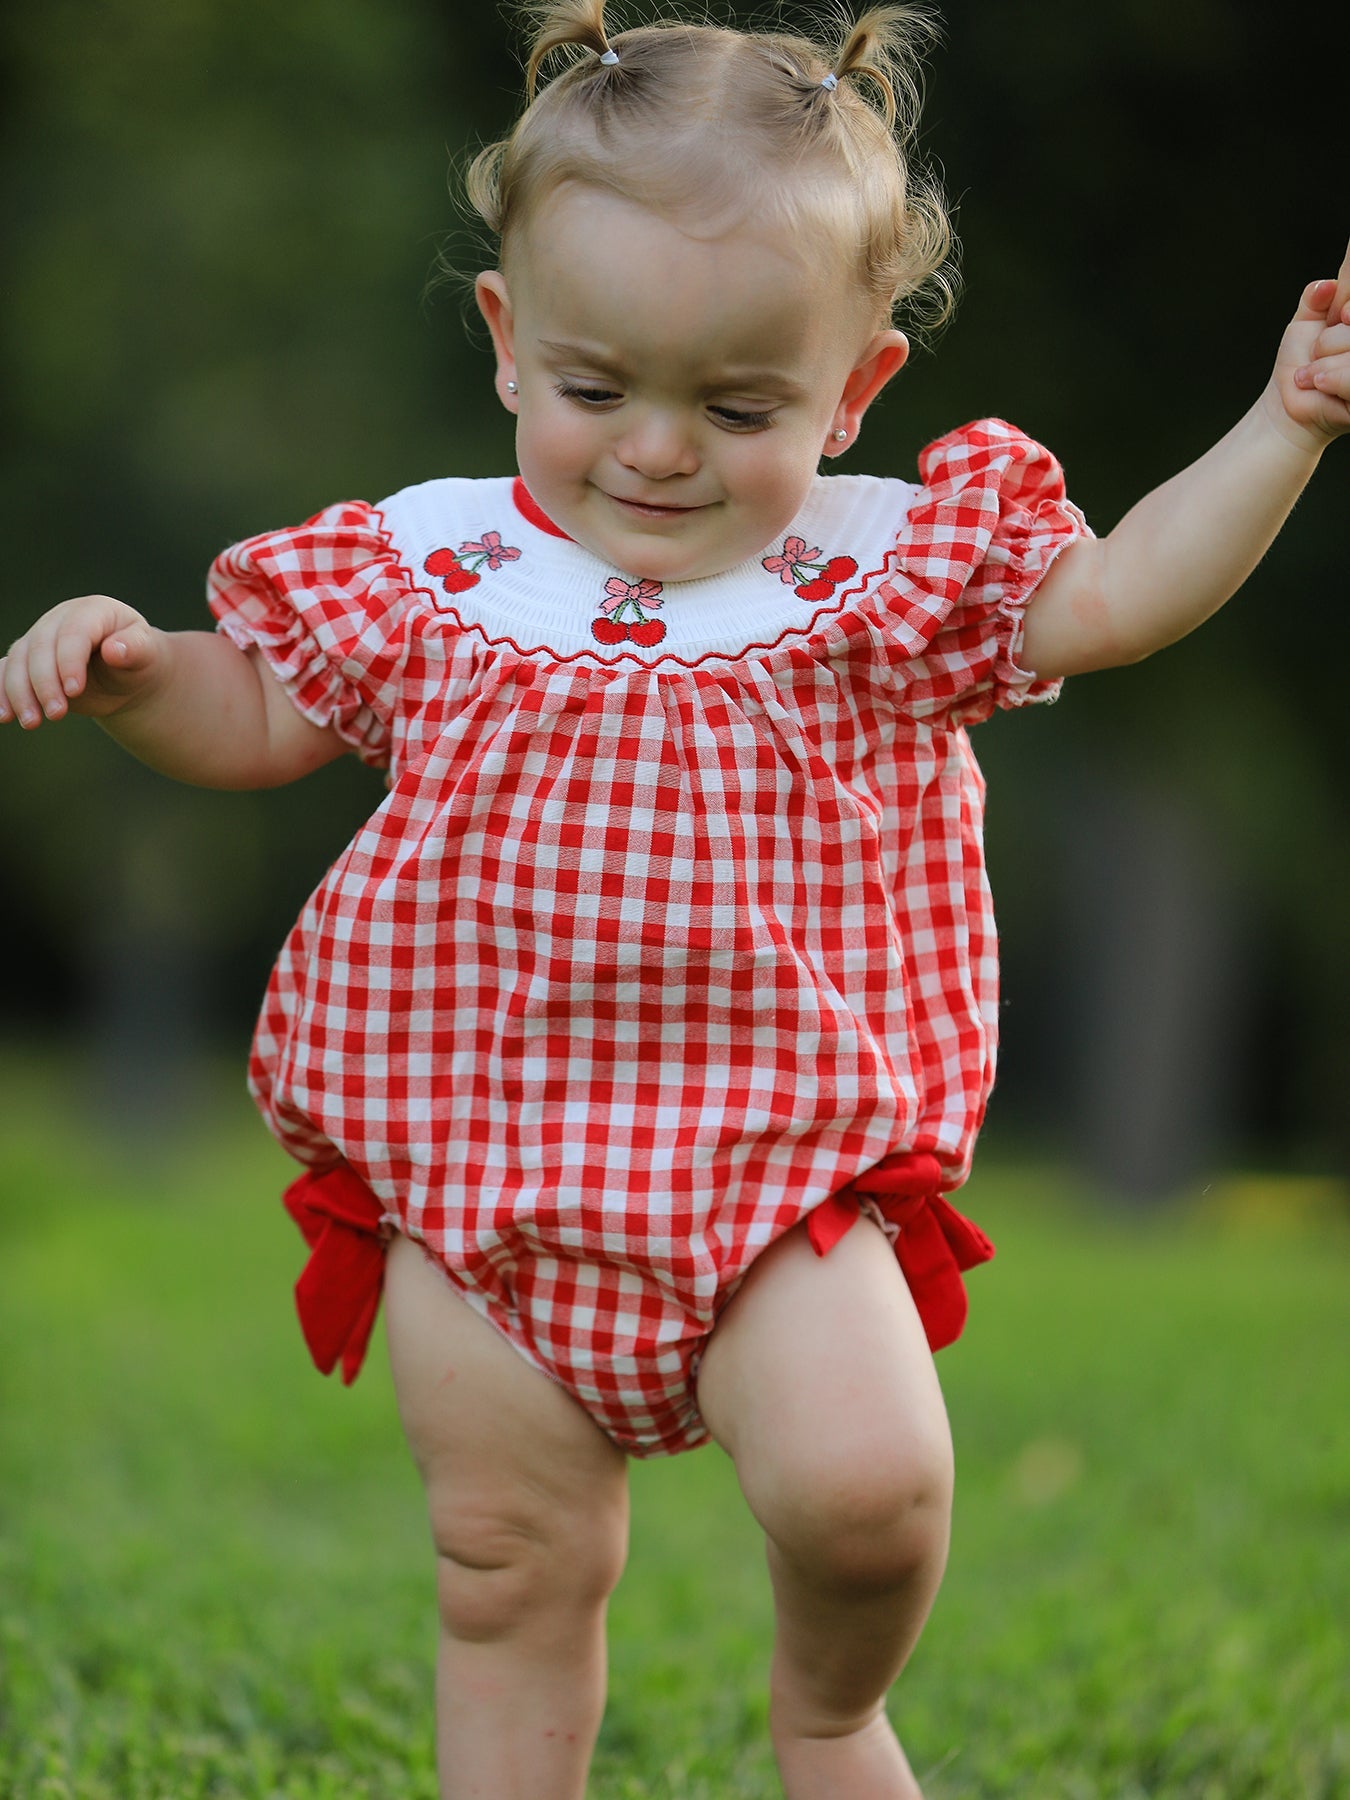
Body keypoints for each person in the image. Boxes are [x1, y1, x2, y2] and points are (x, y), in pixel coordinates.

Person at [3, 3, 1346, 1794]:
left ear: (855, 385)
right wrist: (128, 665)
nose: (654, 451)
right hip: (483, 1169)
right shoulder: (436, 566)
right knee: (505, 1566)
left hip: (777, 1171)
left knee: (871, 1494)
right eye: (592, 389)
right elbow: (256, 708)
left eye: (736, 405)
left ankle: (830, 1710)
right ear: (505, 341)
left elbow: (1111, 600)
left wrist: (1282, 424)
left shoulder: (876, 574)